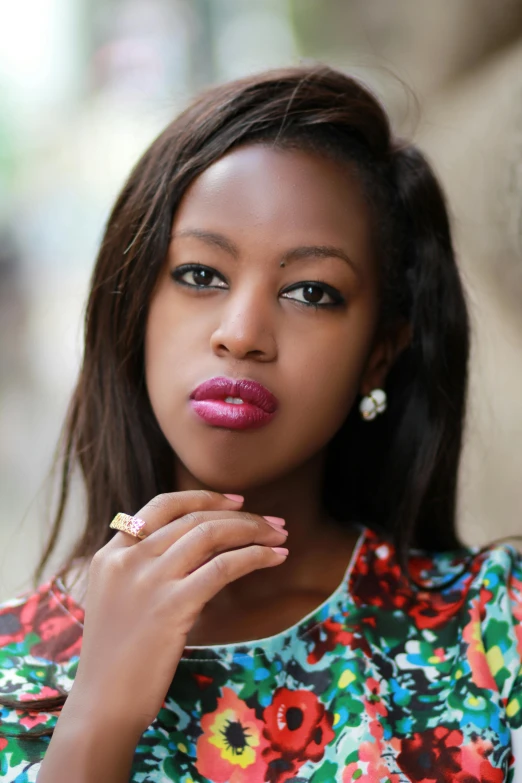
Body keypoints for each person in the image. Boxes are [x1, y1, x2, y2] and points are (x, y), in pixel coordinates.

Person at [0, 64, 520, 783]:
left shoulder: (493, 628)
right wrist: (96, 720)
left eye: (312, 291)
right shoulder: (10, 664)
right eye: (201, 275)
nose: (242, 333)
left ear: (378, 355)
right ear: (137, 304)